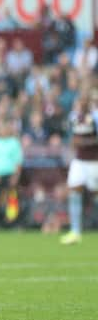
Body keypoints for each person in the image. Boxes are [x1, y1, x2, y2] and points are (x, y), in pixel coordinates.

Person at [60, 89, 98, 245]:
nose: (79, 104)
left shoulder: (95, 117)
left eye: (82, 101)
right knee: (74, 191)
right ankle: (75, 231)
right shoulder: (74, 117)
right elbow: (73, 138)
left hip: (94, 162)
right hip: (79, 161)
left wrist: (84, 143)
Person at [0, 119, 23, 228]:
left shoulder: (14, 142)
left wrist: (16, 176)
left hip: (10, 174)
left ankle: (13, 222)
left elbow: (18, 161)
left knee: (12, 199)